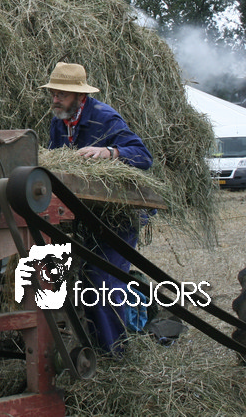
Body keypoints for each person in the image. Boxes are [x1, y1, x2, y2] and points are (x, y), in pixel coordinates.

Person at [40, 62, 153, 354]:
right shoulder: (59, 122)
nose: (55, 100)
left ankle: (115, 353)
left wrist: (109, 152)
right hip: (84, 214)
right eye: (53, 94)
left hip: (117, 215)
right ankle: (90, 343)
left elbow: (143, 156)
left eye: (62, 95)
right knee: (70, 276)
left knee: (102, 280)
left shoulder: (105, 118)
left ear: (81, 96)